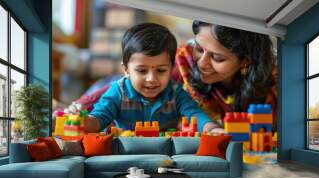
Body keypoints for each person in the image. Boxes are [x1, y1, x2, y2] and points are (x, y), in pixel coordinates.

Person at [65, 21, 277, 128]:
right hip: (113, 87)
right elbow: (110, 95)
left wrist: (212, 130)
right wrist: (76, 110)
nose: (201, 63)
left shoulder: (272, 87)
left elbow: (195, 114)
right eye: (200, 49)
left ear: (245, 61)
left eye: (217, 58)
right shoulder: (180, 62)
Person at [80, 23, 222, 133]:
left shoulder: (175, 92)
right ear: (126, 70)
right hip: (124, 150)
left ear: (172, 68)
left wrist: (212, 129)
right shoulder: (118, 91)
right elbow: (99, 118)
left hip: (164, 152)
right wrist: (84, 122)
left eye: (161, 70)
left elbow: (195, 115)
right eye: (142, 71)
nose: (151, 79)